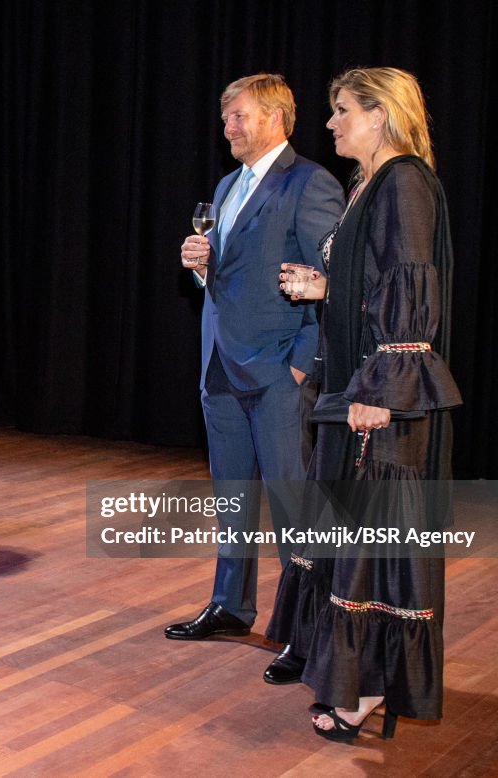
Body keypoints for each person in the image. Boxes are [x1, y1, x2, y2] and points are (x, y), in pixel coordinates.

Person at [267, 67, 461, 741]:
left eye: (342, 110)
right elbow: (377, 282)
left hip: (381, 395)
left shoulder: (405, 180)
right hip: (356, 384)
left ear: (379, 115)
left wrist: (384, 392)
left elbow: (413, 291)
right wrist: (327, 288)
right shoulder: (368, 184)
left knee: (377, 543)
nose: (331, 123)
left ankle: (371, 689)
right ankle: (345, 671)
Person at [167, 74, 344, 646]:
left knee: (294, 502)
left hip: (278, 373)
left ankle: (304, 623)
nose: (228, 127)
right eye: (226, 118)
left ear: (276, 117)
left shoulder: (310, 184)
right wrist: (201, 266)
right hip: (219, 365)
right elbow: (230, 276)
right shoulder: (224, 187)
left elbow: (330, 281)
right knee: (232, 495)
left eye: (239, 116)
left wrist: (302, 363)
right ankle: (230, 605)